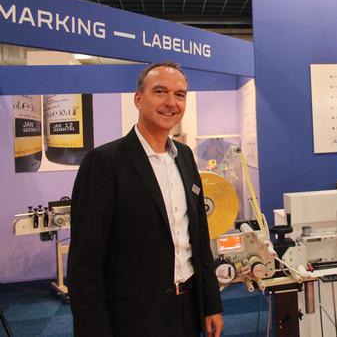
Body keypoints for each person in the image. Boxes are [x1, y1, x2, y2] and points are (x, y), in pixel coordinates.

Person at [68, 62, 223, 337]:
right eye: (160, 92)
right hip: (134, 318)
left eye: (179, 94)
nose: (171, 102)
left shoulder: (185, 157)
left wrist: (211, 304)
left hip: (188, 309)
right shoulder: (104, 162)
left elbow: (198, 238)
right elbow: (85, 265)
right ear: (138, 99)